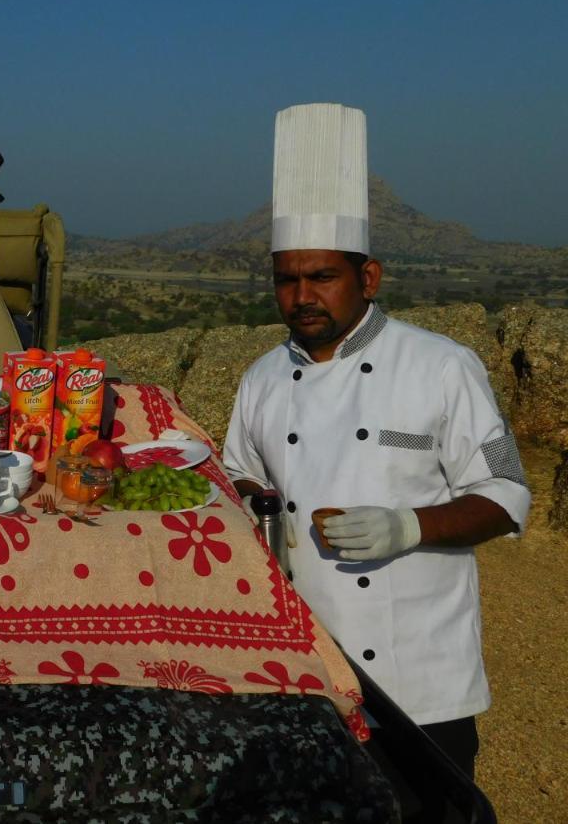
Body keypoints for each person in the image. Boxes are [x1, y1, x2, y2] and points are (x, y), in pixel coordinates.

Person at [222, 104, 530, 785]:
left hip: (418, 677)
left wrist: (406, 525)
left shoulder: (442, 367)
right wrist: (255, 504)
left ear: (369, 277)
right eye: (287, 277)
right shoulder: (263, 377)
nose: (302, 296)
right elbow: (238, 474)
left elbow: (506, 495)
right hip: (303, 668)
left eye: (322, 276)